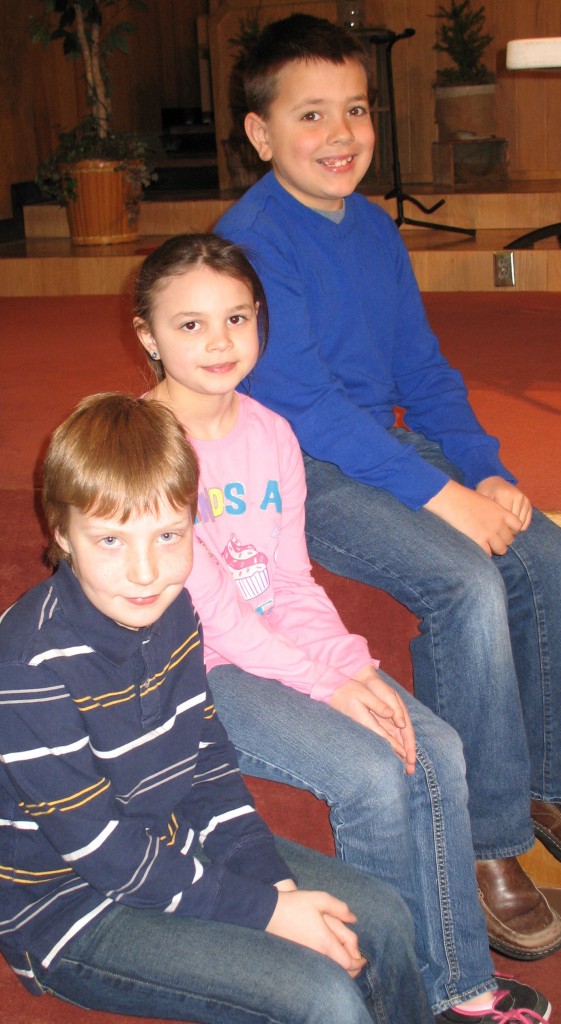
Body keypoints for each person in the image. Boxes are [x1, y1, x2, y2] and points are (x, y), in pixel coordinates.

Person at [134, 232, 552, 1023]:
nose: (218, 342)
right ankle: (396, 992)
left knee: (429, 741)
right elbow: (210, 610)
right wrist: (326, 683)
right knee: (367, 770)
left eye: (236, 318)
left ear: (261, 322)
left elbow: (287, 580)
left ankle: (455, 987)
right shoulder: (146, 445)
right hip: (183, 670)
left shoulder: (268, 433)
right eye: (189, 325)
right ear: (147, 336)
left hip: (267, 648)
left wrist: (351, 668)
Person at [213, 12, 561, 961]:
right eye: (311, 115)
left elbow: (423, 366)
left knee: (548, 551)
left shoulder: (371, 227)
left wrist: (484, 465)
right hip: (306, 471)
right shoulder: (250, 240)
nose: (340, 135)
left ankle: (542, 786)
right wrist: (443, 498)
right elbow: (311, 411)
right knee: (463, 580)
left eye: (355, 111)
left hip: (389, 446)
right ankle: (488, 844)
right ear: (260, 133)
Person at [0, 393, 441, 1024]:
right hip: (74, 910)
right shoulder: (27, 668)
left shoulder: (177, 612)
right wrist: (267, 912)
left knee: (383, 918)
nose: (146, 571)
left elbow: (207, 766)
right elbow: (104, 853)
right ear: (61, 531)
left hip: (170, 844)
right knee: (320, 997)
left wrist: (274, 883)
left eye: (169, 535)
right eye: (110, 539)